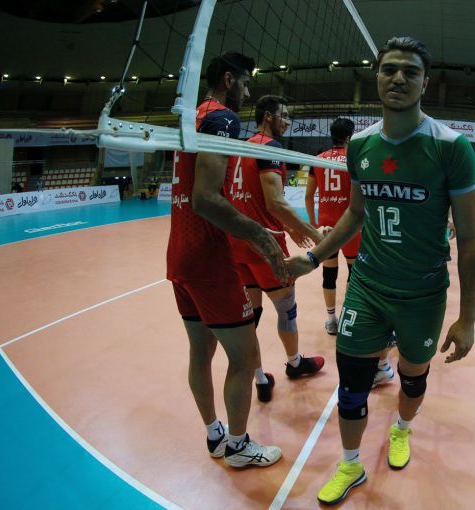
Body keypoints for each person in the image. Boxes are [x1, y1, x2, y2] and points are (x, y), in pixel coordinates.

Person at [286, 36, 475, 506]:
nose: (398, 78)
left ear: (424, 83)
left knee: (413, 377)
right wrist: (312, 258)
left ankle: (401, 429)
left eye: (410, 71)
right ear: (376, 76)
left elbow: (471, 240)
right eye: (389, 69)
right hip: (368, 287)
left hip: (423, 294)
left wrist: (468, 318)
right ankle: (350, 464)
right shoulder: (361, 145)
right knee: (352, 384)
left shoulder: (451, 148)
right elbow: (355, 214)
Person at [166, 51, 285, 469]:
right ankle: (237, 446)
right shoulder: (222, 118)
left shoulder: (192, 116)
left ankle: (214, 434)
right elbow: (205, 199)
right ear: (230, 80)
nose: (248, 93)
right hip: (209, 256)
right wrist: (260, 235)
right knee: (245, 356)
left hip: (179, 252)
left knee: (201, 351)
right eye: (246, 83)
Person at [226, 94, 325, 402]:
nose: (288, 122)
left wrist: (291, 228)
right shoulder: (270, 147)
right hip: (265, 245)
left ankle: (259, 379)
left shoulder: (238, 149)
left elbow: (251, 198)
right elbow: (275, 203)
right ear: (268, 116)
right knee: (286, 309)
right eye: (284, 115)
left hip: (237, 242)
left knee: (250, 316)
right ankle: (295, 364)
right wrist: (313, 233)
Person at [305, 118, 359, 335]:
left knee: (329, 274)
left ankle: (331, 320)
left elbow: (308, 196)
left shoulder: (318, 159)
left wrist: (313, 225)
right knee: (354, 273)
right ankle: (346, 317)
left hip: (326, 226)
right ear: (348, 136)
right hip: (350, 226)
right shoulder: (353, 158)